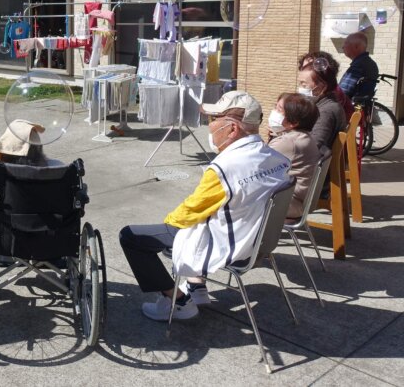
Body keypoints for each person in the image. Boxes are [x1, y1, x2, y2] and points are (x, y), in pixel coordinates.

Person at [118, 91, 290, 321]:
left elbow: (187, 214)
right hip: (258, 241)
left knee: (131, 237)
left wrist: (167, 223)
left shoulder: (225, 167)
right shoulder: (277, 158)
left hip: (228, 244)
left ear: (232, 129)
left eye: (213, 120)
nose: (209, 126)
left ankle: (178, 302)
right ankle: (197, 288)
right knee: (193, 225)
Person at [267, 93, 322, 221]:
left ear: (293, 122)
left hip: (289, 203)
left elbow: (256, 166)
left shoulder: (287, 142)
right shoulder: (303, 136)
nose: (274, 111)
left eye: (279, 109)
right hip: (299, 200)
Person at [297, 62, 348, 157]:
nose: (299, 88)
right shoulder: (324, 103)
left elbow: (314, 145)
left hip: (316, 165)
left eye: (304, 85)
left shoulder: (325, 111)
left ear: (322, 86)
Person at [298, 51, 354, 120]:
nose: (305, 71)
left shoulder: (333, 96)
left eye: (310, 66)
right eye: (304, 67)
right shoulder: (318, 94)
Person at [339, 32, 379, 101]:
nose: (343, 47)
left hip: (349, 107)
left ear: (356, 46)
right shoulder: (368, 62)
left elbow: (344, 92)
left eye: (346, 43)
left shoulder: (359, 65)